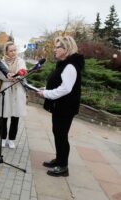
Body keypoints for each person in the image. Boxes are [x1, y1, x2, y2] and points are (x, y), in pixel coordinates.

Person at [37, 36, 84, 177]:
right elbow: (59, 83)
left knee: (61, 135)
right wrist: (45, 89)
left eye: (58, 47)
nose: (55, 50)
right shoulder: (64, 64)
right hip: (61, 106)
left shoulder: (70, 66)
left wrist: (46, 94)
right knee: (58, 133)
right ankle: (59, 160)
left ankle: (63, 167)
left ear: (66, 49)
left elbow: (65, 89)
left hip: (66, 107)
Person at [0, 42, 27, 149]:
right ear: (6, 52)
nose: (13, 52)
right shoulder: (1, 62)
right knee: (4, 116)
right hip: (6, 90)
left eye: (15, 50)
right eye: (11, 50)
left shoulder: (21, 61)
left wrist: (19, 75)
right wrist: (12, 76)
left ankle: (11, 140)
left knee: (15, 116)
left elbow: (23, 73)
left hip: (17, 91)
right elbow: (1, 75)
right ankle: (3, 138)